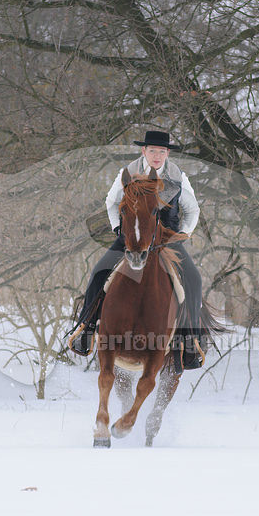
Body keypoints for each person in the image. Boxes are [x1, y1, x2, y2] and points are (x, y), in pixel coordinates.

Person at [71, 130, 204, 369]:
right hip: (131, 236)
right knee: (100, 272)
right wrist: (117, 230)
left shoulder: (177, 177)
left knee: (193, 279)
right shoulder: (128, 173)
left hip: (166, 240)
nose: (157, 156)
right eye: (152, 150)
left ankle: (190, 339)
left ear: (167, 153)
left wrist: (182, 235)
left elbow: (193, 210)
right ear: (144, 151)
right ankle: (86, 328)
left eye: (162, 151)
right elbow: (111, 203)